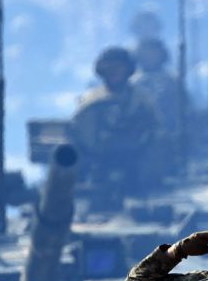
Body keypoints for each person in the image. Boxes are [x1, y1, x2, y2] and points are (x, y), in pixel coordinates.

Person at [70, 47, 164, 187]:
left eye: (119, 67)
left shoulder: (142, 99)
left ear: (128, 70)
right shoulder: (90, 100)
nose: (114, 72)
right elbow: (80, 134)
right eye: (109, 68)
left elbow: (157, 129)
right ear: (102, 71)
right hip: (96, 165)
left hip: (137, 167)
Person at [132, 37, 183, 122]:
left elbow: (182, 108)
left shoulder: (172, 81)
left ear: (162, 55)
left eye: (153, 53)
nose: (150, 57)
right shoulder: (133, 82)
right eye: (146, 54)